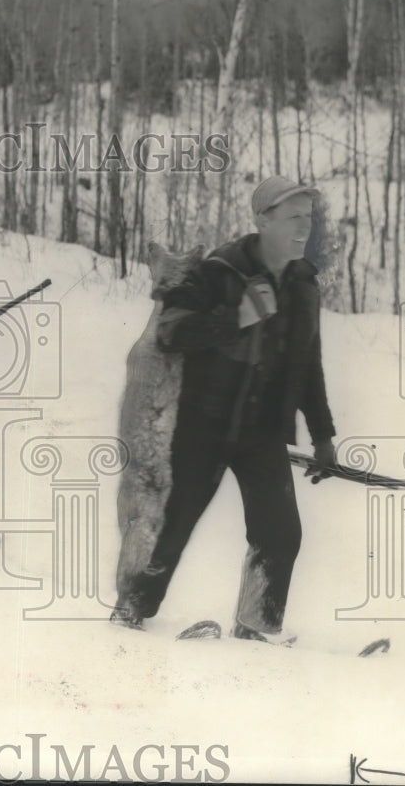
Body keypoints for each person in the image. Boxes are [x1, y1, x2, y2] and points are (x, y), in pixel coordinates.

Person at [130, 176, 338, 642]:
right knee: (173, 525)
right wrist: (236, 317)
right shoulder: (221, 270)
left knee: (280, 533)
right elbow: (170, 331)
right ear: (262, 220)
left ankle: (254, 625)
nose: (305, 226)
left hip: (263, 429)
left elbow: (308, 365)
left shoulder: (304, 285)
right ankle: (132, 610)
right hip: (204, 424)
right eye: (293, 217)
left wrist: (323, 436)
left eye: (309, 216)